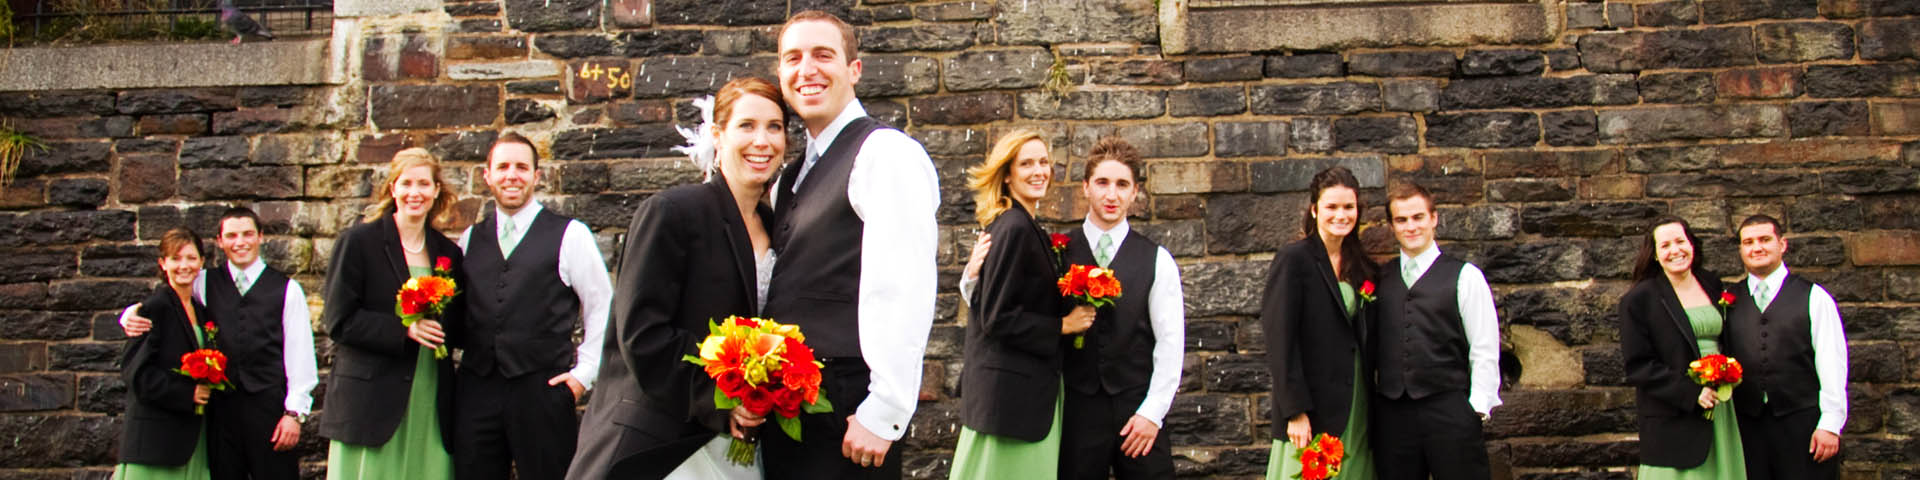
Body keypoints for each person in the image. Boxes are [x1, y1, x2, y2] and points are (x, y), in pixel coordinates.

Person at [568, 76, 786, 480]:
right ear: (718, 135)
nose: (763, 140)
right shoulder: (672, 211)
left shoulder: (778, 228)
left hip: (740, 446)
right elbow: (640, 334)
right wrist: (720, 397)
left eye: (774, 127)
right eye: (747, 126)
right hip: (661, 443)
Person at [759, 10, 940, 479]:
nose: (807, 69)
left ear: (853, 70)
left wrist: (885, 409)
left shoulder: (885, 153)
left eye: (823, 55)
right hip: (791, 407)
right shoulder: (793, 174)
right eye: (792, 58)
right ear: (781, 74)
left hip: (849, 406)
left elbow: (903, 285)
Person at [959, 136, 1186, 480]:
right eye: (1103, 183)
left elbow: (1171, 344)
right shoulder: (1054, 251)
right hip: (1073, 412)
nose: (1112, 195)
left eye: (1122, 184)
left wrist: (1152, 413)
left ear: (1135, 191)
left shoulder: (1158, 260)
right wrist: (971, 276)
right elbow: (1005, 306)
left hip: (1136, 412)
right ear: (1086, 187)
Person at [451, 132, 613, 480]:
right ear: (487, 175)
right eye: (503, 166)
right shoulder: (469, 240)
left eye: (522, 167)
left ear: (537, 176)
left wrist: (584, 375)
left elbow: (602, 307)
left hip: (543, 391)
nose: (512, 175)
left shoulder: (571, 234)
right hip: (476, 390)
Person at [116, 207, 319, 480]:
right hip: (220, 414)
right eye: (231, 235)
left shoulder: (287, 290)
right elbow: (171, 295)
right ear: (220, 241)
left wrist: (294, 414)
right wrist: (130, 313)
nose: (240, 242)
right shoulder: (203, 281)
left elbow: (301, 355)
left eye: (247, 234)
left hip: (270, 412)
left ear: (260, 237)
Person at [947, 130, 1089, 479]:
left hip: (1019, 403)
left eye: (1043, 162)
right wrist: (1063, 326)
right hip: (1012, 407)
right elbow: (997, 317)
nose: (1039, 170)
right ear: (1007, 173)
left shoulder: (1023, 225)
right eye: (1026, 163)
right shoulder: (1014, 228)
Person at [320, 147, 466, 480]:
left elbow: (457, 321)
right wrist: (404, 331)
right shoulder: (358, 242)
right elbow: (339, 321)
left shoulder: (448, 253)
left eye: (424, 185)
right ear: (393, 188)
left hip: (429, 389)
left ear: (436, 190)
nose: (415, 193)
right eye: (407, 183)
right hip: (371, 394)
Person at [1371, 181, 1500, 480]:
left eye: (1418, 217)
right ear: (1392, 226)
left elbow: (1484, 346)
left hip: (1449, 410)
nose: (1411, 226)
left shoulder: (1465, 277)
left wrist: (1476, 409)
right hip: (1393, 415)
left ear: (1433, 218)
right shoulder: (1378, 277)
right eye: (1401, 220)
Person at [1259, 166, 1377, 480]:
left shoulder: (1361, 265)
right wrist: (1295, 410)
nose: (1341, 215)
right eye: (1332, 207)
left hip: (1356, 402)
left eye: (1348, 207)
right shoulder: (1294, 259)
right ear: (1315, 210)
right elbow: (1279, 338)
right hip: (1311, 406)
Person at [1618, 215, 1745, 479]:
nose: (1675, 250)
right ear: (1654, 255)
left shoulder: (1711, 283)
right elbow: (1638, 366)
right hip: (1676, 411)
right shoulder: (1639, 300)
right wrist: (1691, 393)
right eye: (1665, 246)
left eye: (1680, 241)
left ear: (1692, 245)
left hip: (1722, 404)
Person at [1723, 214, 1848, 480]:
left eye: (1765, 239)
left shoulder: (1814, 297)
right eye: (1748, 242)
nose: (1757, 247)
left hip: (1803, 424)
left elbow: (1832, 362)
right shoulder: (1729, 301)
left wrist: (1830, 424)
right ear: (1741, 250)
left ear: (1783, 244)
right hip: (1749, 427)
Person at [113, 227, 216, 480]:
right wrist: (187, 393)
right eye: (176, 258)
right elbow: (136, 375)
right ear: (163, 263)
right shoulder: (153, 309)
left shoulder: (203, 313)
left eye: (191, 258)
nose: (184, 265)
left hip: (193, 438)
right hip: (156, 445)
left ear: (201, 262)